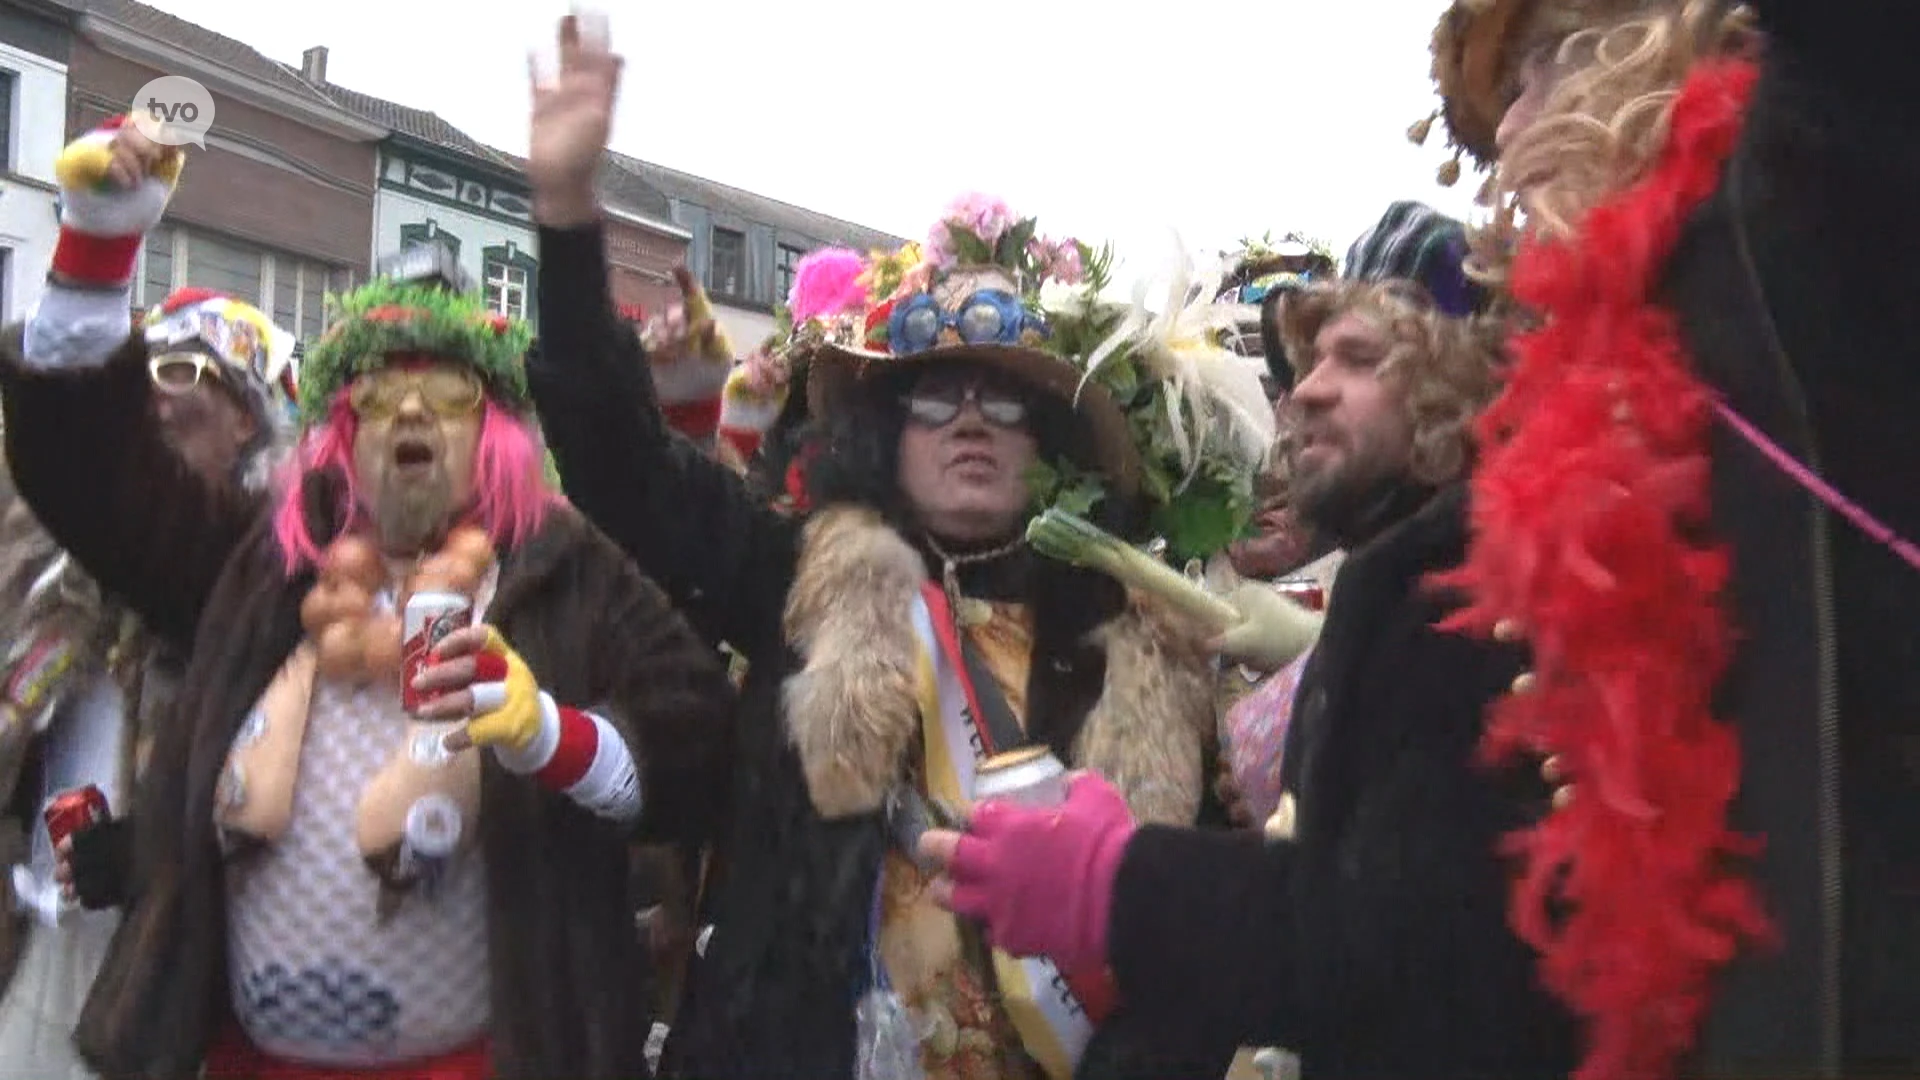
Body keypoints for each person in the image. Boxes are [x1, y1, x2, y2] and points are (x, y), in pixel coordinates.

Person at [519, 16, 1280, 1079]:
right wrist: (564, 217)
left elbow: (1193, 948)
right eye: (937, 397)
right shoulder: (803, 579)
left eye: (1005, 405)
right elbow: (620, 461)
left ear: (1050, 446)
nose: (971, 422)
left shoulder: (1133, 642)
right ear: (885, 433)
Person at [0, 114, 734, 1080]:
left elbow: (702, 748)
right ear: (338, 431)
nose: (415, 414)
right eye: (381, 398)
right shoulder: (267, 560)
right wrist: (100, 243)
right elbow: (92, 479)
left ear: (498, 430)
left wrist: (554, 737)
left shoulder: (563, 564)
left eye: (448, 392)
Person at [1423, 0, 1919, 1073]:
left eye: (1533, 76)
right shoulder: (1621, 359)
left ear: (1639, 48)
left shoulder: (1810, 203)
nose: (1504, 136)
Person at [919, 275, 1577, 1080]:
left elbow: (1398, 949)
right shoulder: (1409, 578)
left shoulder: (1470, 600)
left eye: (1359, 360)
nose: (1307, 392)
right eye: (1306, 367)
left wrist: (1117, 880)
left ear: (1463, 383)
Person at [0, 284, 297, 1079]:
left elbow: (286, 785)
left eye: (178, 372)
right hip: (35, 941)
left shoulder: (260, 572)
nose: (153, 400)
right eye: (143, 374)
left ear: (245, 415)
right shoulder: (41, 556)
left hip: (160, 962)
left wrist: (156, 853)